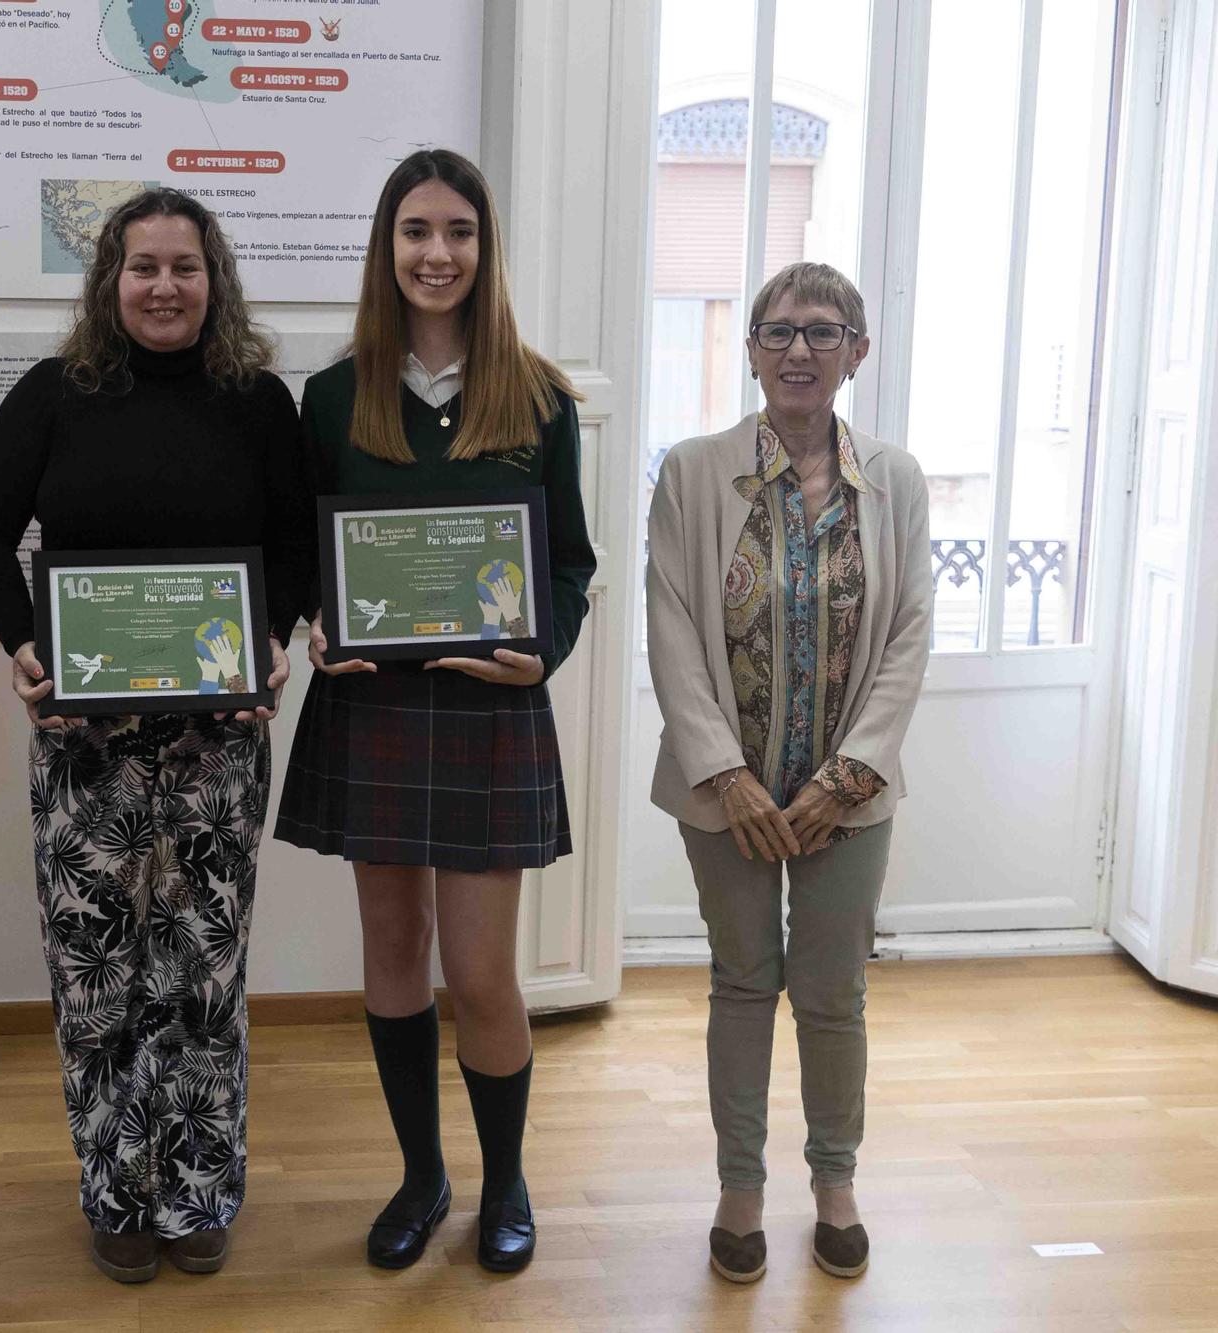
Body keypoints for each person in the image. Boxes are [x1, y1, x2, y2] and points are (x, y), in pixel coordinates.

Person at [0, 189, 309, 1283]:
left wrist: (270, 639)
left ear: (216, 280)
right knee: (96, 967)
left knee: (200, 968)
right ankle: (114, 1193)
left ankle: (199, 1192)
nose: (165, 286)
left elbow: (295, 545)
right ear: (110, 278)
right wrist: (22, 643)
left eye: (185, 267)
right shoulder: (55, 394)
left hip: (216, 739)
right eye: (144, 266)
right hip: (83, 740)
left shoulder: (257, 402)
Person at [273, 149, 596, 1274]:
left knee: (482, 972)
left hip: (484, 716)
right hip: (373, 712)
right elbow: (308, 560)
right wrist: (317, 621)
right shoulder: (329, 395)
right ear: (386, 248)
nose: (436, 253)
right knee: (392, 948)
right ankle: (420, 1174)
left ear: (483, 248)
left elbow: (568, 568)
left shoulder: (538, 398)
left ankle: (505, 1181)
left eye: (457, 232)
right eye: (415, 231)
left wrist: (539, 652)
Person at [645, 261, 933, 1284]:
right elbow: (672, 629)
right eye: (777, 331)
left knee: (830, 991)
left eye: (822, 331)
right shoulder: (689, 470)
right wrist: (724, 777)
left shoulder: (893, 479)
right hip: (726, 796)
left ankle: (835, 1182)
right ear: (752, 349)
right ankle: (737, 1187)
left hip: (844, 801)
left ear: (857, 350)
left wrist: (847, 775)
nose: (798, 350)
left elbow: (906, 634)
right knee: (740, 979)